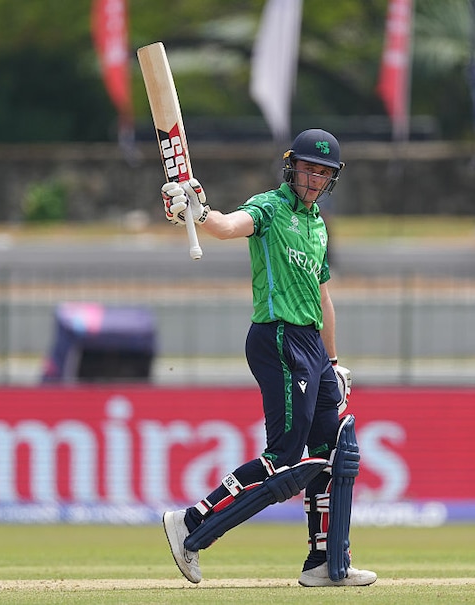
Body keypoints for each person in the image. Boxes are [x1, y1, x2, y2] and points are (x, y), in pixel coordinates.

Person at [159, 128, 377, 588]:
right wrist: (196, 211)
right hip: (277, 337)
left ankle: (325, 561)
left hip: (313, 346)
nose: (314, 179)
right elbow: (226, 225)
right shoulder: (270, 208)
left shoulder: (318, 224)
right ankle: (191, 524)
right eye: (308, 169)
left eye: (324, 173)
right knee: (284, 459)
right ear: (290, 166)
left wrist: (333, 361)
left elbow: (322, 297)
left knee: (332, 452)